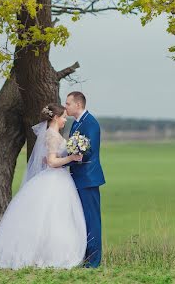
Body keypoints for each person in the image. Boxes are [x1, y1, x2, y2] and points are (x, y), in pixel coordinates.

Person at [0, 103, 86, 269]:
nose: (65, 120)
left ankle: (44, 253)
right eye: (63, 117)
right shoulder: (52, 135)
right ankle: (50, 255)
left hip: (56, 178)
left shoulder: (50, 134)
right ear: (55, 117)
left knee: (53, 217)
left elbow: (46, 159)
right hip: (55, 179)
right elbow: (52, 161)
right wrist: (71, 158)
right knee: (54, 217)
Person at [65, 91, 105, 268]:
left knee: (92, 219)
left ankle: (94, 261)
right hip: (78, 177)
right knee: (81, 219)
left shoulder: (91, 123)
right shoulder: (76, 123)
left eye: (68, 104)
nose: (65, 107)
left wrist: (74, 152)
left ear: (78, 105)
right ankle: (84, 256)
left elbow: (89, 150)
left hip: (88, 178)